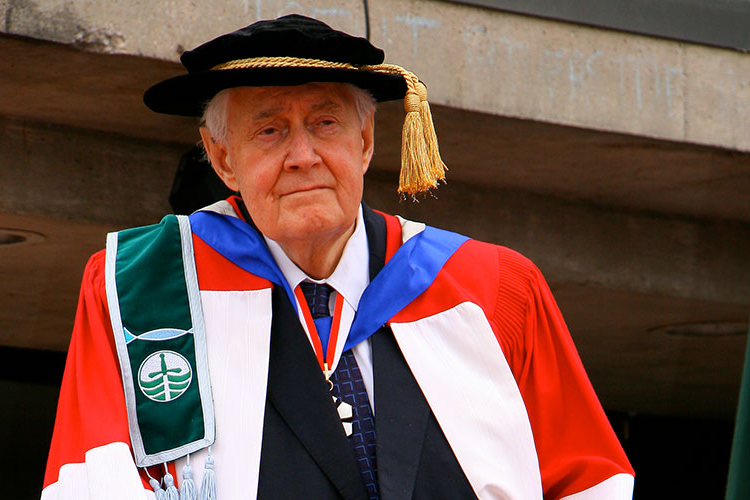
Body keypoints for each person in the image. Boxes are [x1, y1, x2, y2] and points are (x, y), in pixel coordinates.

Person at [42, 14, 634, 500]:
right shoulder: (142, 287)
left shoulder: (492, 288)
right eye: (269, 130)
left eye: (325, 123)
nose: (303, 154)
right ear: (222, 158)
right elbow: (90, 484)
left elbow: (590, 484)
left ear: (366, 141)